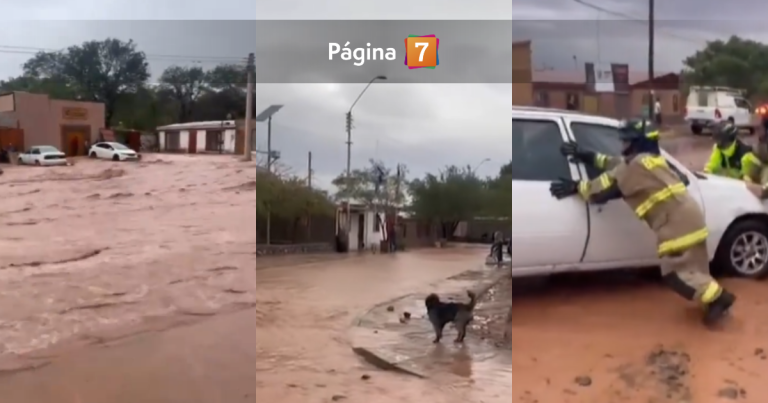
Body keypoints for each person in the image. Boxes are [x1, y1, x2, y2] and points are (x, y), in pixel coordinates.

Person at [551, 118, 735, 326]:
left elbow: (603, 191)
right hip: (691, 218)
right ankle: (714, 303)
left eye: (626, 142)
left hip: (675, 226)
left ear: (637, 142)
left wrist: (578, 187)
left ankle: (719, 298)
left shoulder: (633, 167)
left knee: (674, 274)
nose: (622, 146)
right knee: (696, 269)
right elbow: (616, 164)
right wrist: (585, 155)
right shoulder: (651, 160)